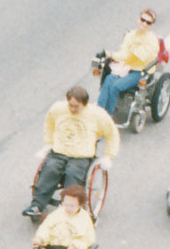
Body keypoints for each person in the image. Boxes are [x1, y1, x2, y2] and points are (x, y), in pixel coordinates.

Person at [24, 87, 119, 217]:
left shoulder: (98, 115)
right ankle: (37, 204)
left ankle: (68, 207)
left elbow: (112, 133)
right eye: (70, 105)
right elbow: (49, 124)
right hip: (59, 152)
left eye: (76, 107)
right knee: (49, 170)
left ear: (84, 104)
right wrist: (49, 143)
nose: (72, 109)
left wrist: (109, 156)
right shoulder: (58, 109)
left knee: (73, 174)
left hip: (81, 156)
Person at [95, 8, 162, 118]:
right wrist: (112, 57)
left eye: (148, 22)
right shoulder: (130, 35)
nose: (144, 23)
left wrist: (110, 54)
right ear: (138, 19)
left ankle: (108, 117)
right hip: (125, 67)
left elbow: (131, 57)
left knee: (116, 87)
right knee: (107, 80)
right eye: (142, 20)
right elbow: (123, 52)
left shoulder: (151, 41)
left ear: (151, 25)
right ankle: (99, 113)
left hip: (139, 71)